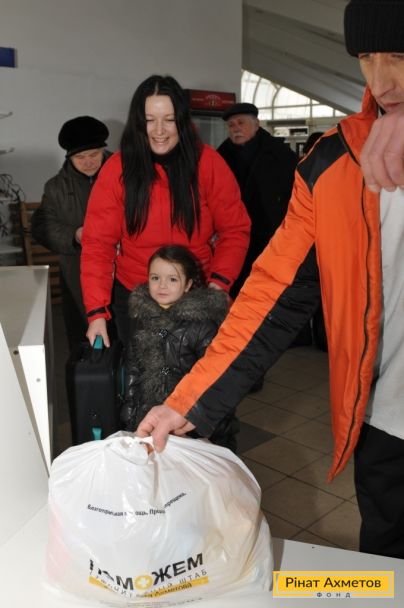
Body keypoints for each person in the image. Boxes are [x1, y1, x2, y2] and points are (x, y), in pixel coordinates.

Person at [137, 0, 404, 560]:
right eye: (367, 57)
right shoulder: (333, 163)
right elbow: (272, 295)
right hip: (384, 419)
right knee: (385, 564)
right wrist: (190, 400)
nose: (382, 81)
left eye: (400, 56)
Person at [80, 75, 250, 348]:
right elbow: (97, 244)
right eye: (150, 120)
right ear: (138, 122)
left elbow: (235, 230)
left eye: (169, 119)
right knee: (142, 372)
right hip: (135, 298)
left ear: (182, 121)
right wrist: (96, 312)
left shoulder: (208, 163)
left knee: (197, 374)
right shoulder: (117, 169)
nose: (159, 130)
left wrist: (218, 286)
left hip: (195, 296)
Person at [120, 244, 238, 450]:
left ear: (188, 284)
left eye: (172, 279)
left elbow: (214, 377)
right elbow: (133, 368)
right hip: (150, 418)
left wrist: (204, 425)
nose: (162, 285)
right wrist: (130, 413)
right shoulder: (142, 319)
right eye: (155, 278)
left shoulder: (203, 325)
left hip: (191, 424)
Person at [31, 116, 111, 350]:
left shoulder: (124, 176)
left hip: (121, 270)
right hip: (76, 272)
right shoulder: (56, 187)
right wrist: (74, 235)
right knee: (82, 340)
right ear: (69, 157)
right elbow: (41, 227)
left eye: (94, 155)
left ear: (104, 150)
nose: (88, 162)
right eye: (80, 157)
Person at [217, 102, 297, 300]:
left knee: (268, 291)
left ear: (256, 124)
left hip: (272, 235)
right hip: (234, 235)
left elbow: (295, 194)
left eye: (241, 123)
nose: (235, 129)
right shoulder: (221, 156)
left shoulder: (280, 154)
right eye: (231, 125)